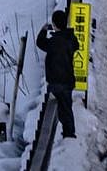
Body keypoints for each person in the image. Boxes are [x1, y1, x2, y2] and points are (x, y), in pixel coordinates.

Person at [36, 9, 79, 138]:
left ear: (54, 25)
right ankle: (68, 132)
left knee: (60, 109)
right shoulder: (70, 38)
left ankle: (69, 134)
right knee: (66, 107)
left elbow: (40, 43)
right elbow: (75, 45)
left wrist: (43, 30)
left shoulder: (54, 42)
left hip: (55, 81)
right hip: (68, 80)